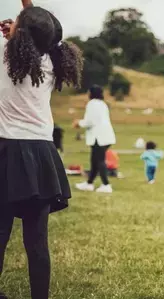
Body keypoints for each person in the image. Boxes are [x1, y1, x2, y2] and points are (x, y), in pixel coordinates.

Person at [0, 2, 82, 298]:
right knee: (37, 243)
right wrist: (24, 17)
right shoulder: (51, 61)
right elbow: (45, 31)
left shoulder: (4, 55)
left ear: (20, 33)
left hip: (8, 151)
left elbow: (34, 30)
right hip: (41, 153)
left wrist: (11, 33)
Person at [73, 85, 116, 194]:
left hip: (98, 137)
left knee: (99, 160)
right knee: (94, 160)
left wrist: (78, 123)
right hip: (105, 135)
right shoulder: (103, 104)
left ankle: (106, 185)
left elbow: (90, 121)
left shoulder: (92, 104)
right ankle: (89, 183)